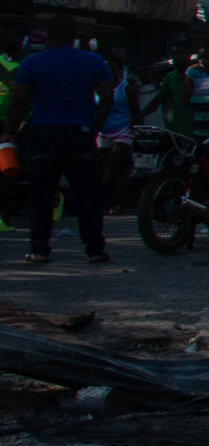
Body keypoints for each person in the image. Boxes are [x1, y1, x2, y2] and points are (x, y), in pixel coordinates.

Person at [7, 14, 115, 263]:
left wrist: (10, 131)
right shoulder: (94, 61)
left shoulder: (33, 63)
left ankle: (39, 249)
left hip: (44, 133)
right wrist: (95, 125)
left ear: (48, 37)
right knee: (88, 195)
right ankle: (94, 249)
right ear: (75, 36)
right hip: (80, 133)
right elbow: (107, 97)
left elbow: (19, 101)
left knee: (41, 194)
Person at [96, 46, 137, 208]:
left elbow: (136, 113)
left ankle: (118, 202)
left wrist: (137, 133)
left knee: (114, 163)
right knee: (101, 168)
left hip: (122, 132)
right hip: (103, 133)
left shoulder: (126, 89)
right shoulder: (96, 90)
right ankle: (107, 199)